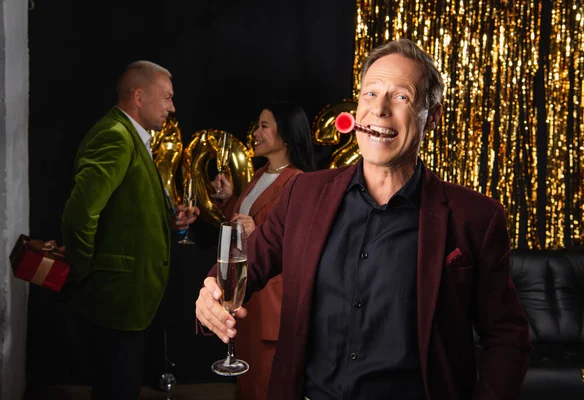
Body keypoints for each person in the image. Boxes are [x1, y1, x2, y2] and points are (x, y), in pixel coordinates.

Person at [196, 39, 532, 400]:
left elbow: (506, 337)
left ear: (432, 116)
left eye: (401, 96)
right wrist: (210, 295)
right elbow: (244, 267)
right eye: (370, 94)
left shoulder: (477, 217)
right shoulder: (302, 194)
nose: (380, 110)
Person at [62, 60, 198, 400]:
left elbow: (124, 209)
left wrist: (169, 219)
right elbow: (80, 215)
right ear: (138, 96)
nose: (172, 107)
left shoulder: (132, 136)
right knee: (116, 389)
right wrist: (83, 272)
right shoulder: (116, 136)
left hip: (129, 301)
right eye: (166, 97)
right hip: (115, 299)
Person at [210, 102, 315, 400]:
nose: (255, 133)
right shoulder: (261, 174)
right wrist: (230, 200)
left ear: (286, 135)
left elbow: (301, 239)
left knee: (268, 385)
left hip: (273, 302)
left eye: (263, 126)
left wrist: (255, 226)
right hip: (247, 295)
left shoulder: (298, 180)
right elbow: (245, 226)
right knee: (249, 380)